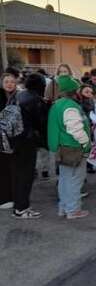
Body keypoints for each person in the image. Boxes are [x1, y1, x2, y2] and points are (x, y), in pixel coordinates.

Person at [48, 75, 91, 219]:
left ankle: (64, 207)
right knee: (75, 179)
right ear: (74, 90)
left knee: (65, 179)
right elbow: (76, 129)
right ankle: (73, 210)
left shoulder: (58, 104)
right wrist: (86, 143)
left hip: (62, 147)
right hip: (73, 148)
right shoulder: (70, 106)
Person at [9, 73, 48, 218]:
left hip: (13, 140)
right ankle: (22, 208)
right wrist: (47, 144)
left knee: (18, 174)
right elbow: (42, 124)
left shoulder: (17, 95)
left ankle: (18, 206)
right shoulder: (36, 100)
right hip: (27, 142)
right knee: (26, 175)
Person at [0, 73, 18, 211]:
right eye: (6, 81)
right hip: (1, 138)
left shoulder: (18, 97)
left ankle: (13, 195)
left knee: (13, 168)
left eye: (12, 81)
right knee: (3, 169)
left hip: (14, 138)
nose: (9, 84)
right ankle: (4, 198)